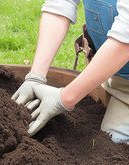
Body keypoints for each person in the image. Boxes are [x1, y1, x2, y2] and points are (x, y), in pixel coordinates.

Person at [12, 0, 129, 143]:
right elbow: (60, 4)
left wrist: (64, 99)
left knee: (116, 150)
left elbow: (125, 40)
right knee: (108, 146)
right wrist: (35, 76)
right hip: (118, 79)